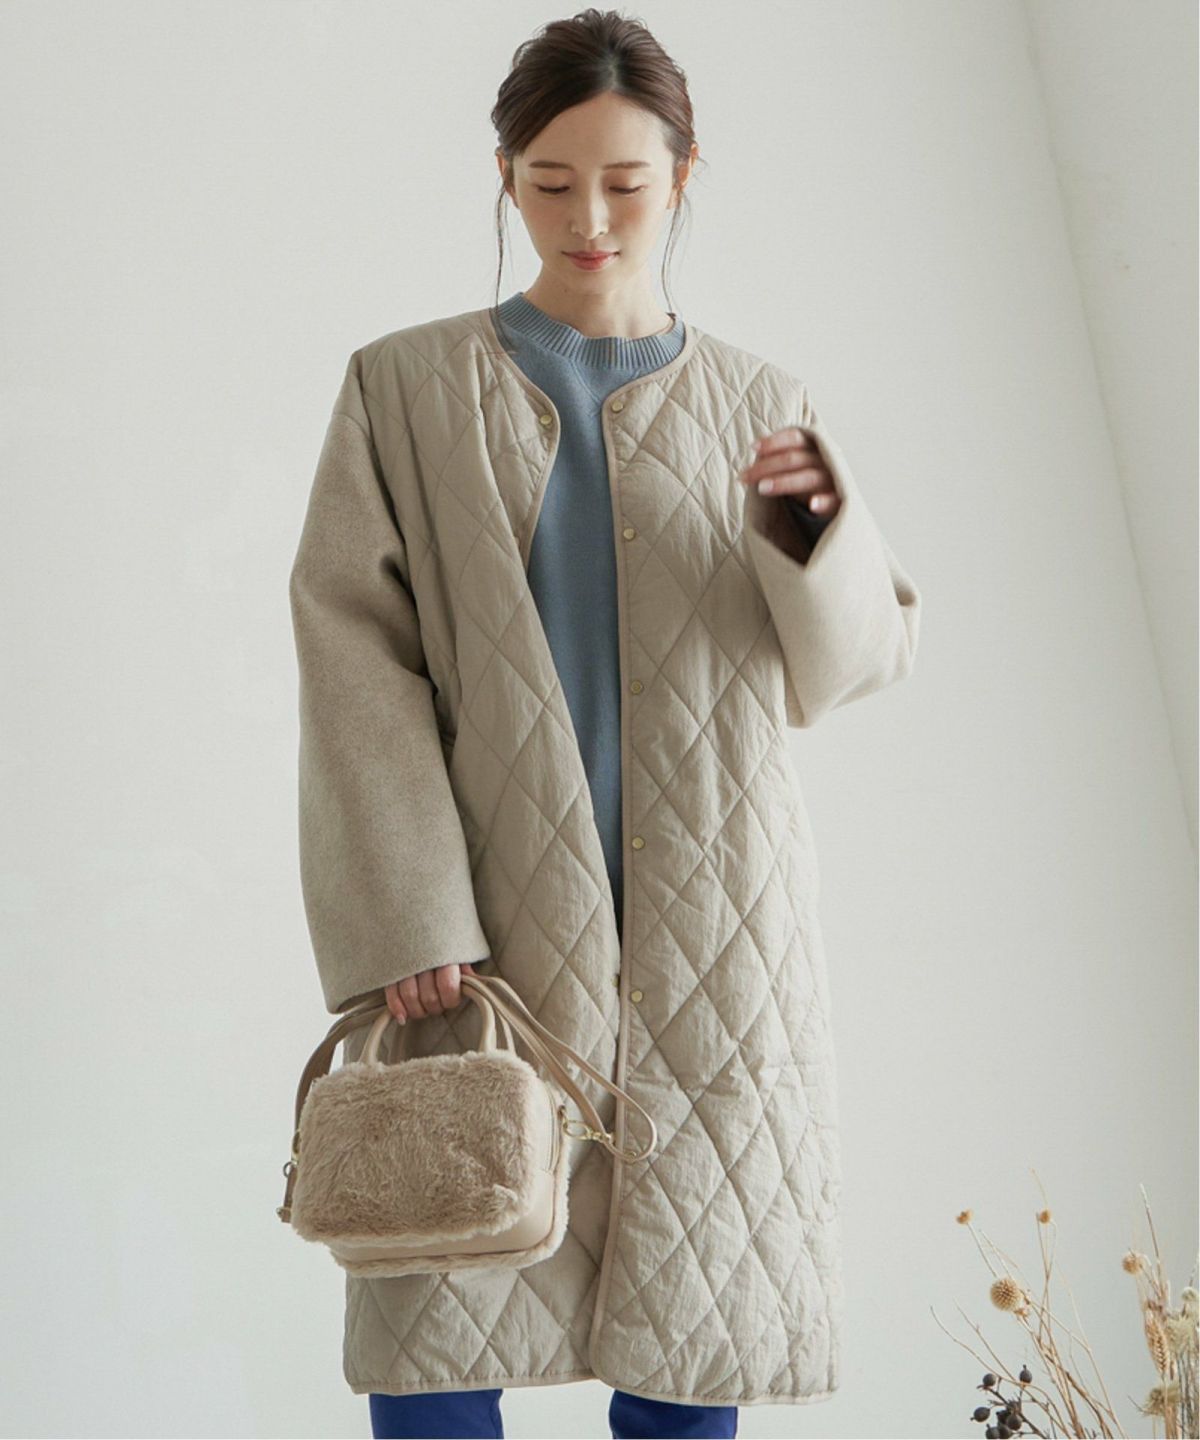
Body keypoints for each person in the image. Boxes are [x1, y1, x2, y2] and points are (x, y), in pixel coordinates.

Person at [288, 10, 920, 1440]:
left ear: (684, 176)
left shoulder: (761, 400)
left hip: (716, 932)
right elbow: (353, 657)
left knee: (692, 1340)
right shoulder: (403, 387)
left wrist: (815, 528)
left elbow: (847, 668)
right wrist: (406, 915)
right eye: (552, 181)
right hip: (479, 932)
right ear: (505, 177)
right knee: (438, 1334)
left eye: (626, 184)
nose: (588, 219)